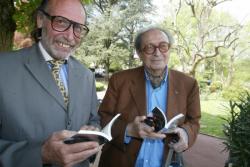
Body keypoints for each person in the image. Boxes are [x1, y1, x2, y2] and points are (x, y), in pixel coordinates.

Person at [0, 0, 100, 166]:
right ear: (40, 19)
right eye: (61, 22)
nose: (69, 36)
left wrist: (93, 132)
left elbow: (94, 119)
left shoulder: (86, 75)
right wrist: (40, 154)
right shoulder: (3, 68)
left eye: (78, 28)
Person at [98, 27, 201, 167]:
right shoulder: (119, 80)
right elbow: (103, 117)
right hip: (120, 161)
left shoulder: (189, 84)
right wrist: (128, 130)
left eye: (163, 46)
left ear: (169, 49)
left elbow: (194, 121)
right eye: (149, 47)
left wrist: (186, 133)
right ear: (139, 53)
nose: (157, 53)